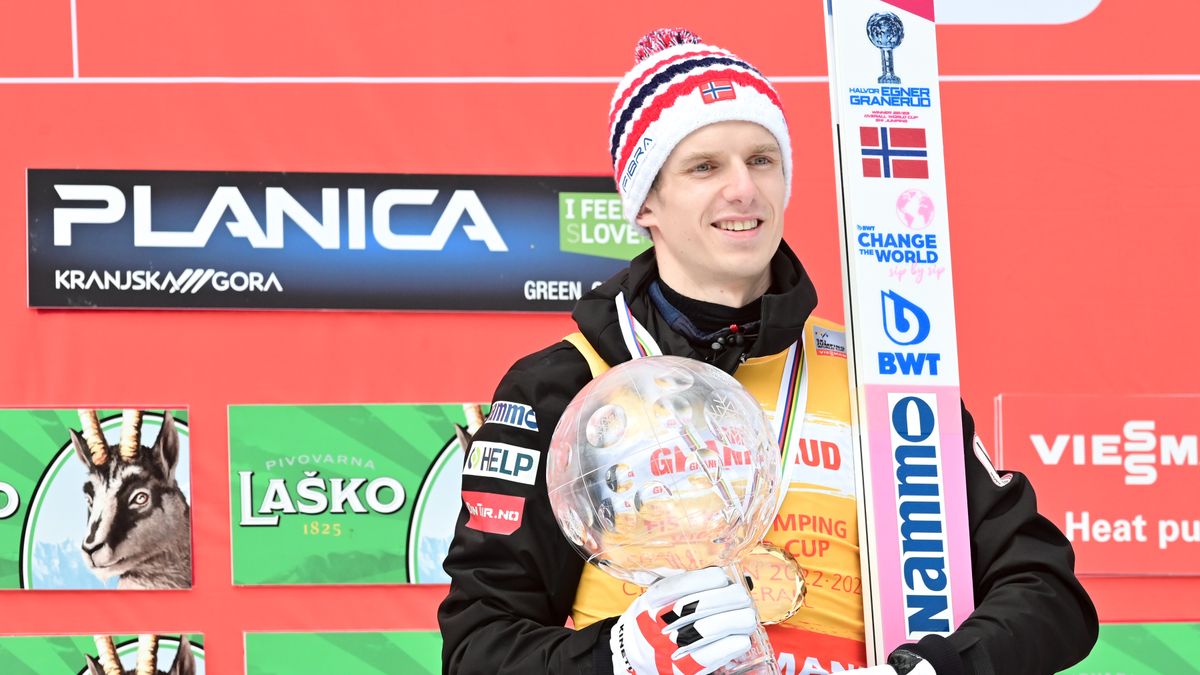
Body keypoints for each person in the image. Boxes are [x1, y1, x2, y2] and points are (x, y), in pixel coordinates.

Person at [438, 28, 1097, 675]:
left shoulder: (881, 373)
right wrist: (619, 656)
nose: (743, 189)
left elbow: (1048, 593)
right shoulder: (563, 386)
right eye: (704, 166)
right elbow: (478, 647)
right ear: (645, 204)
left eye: (762, 159)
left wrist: (929, 668)